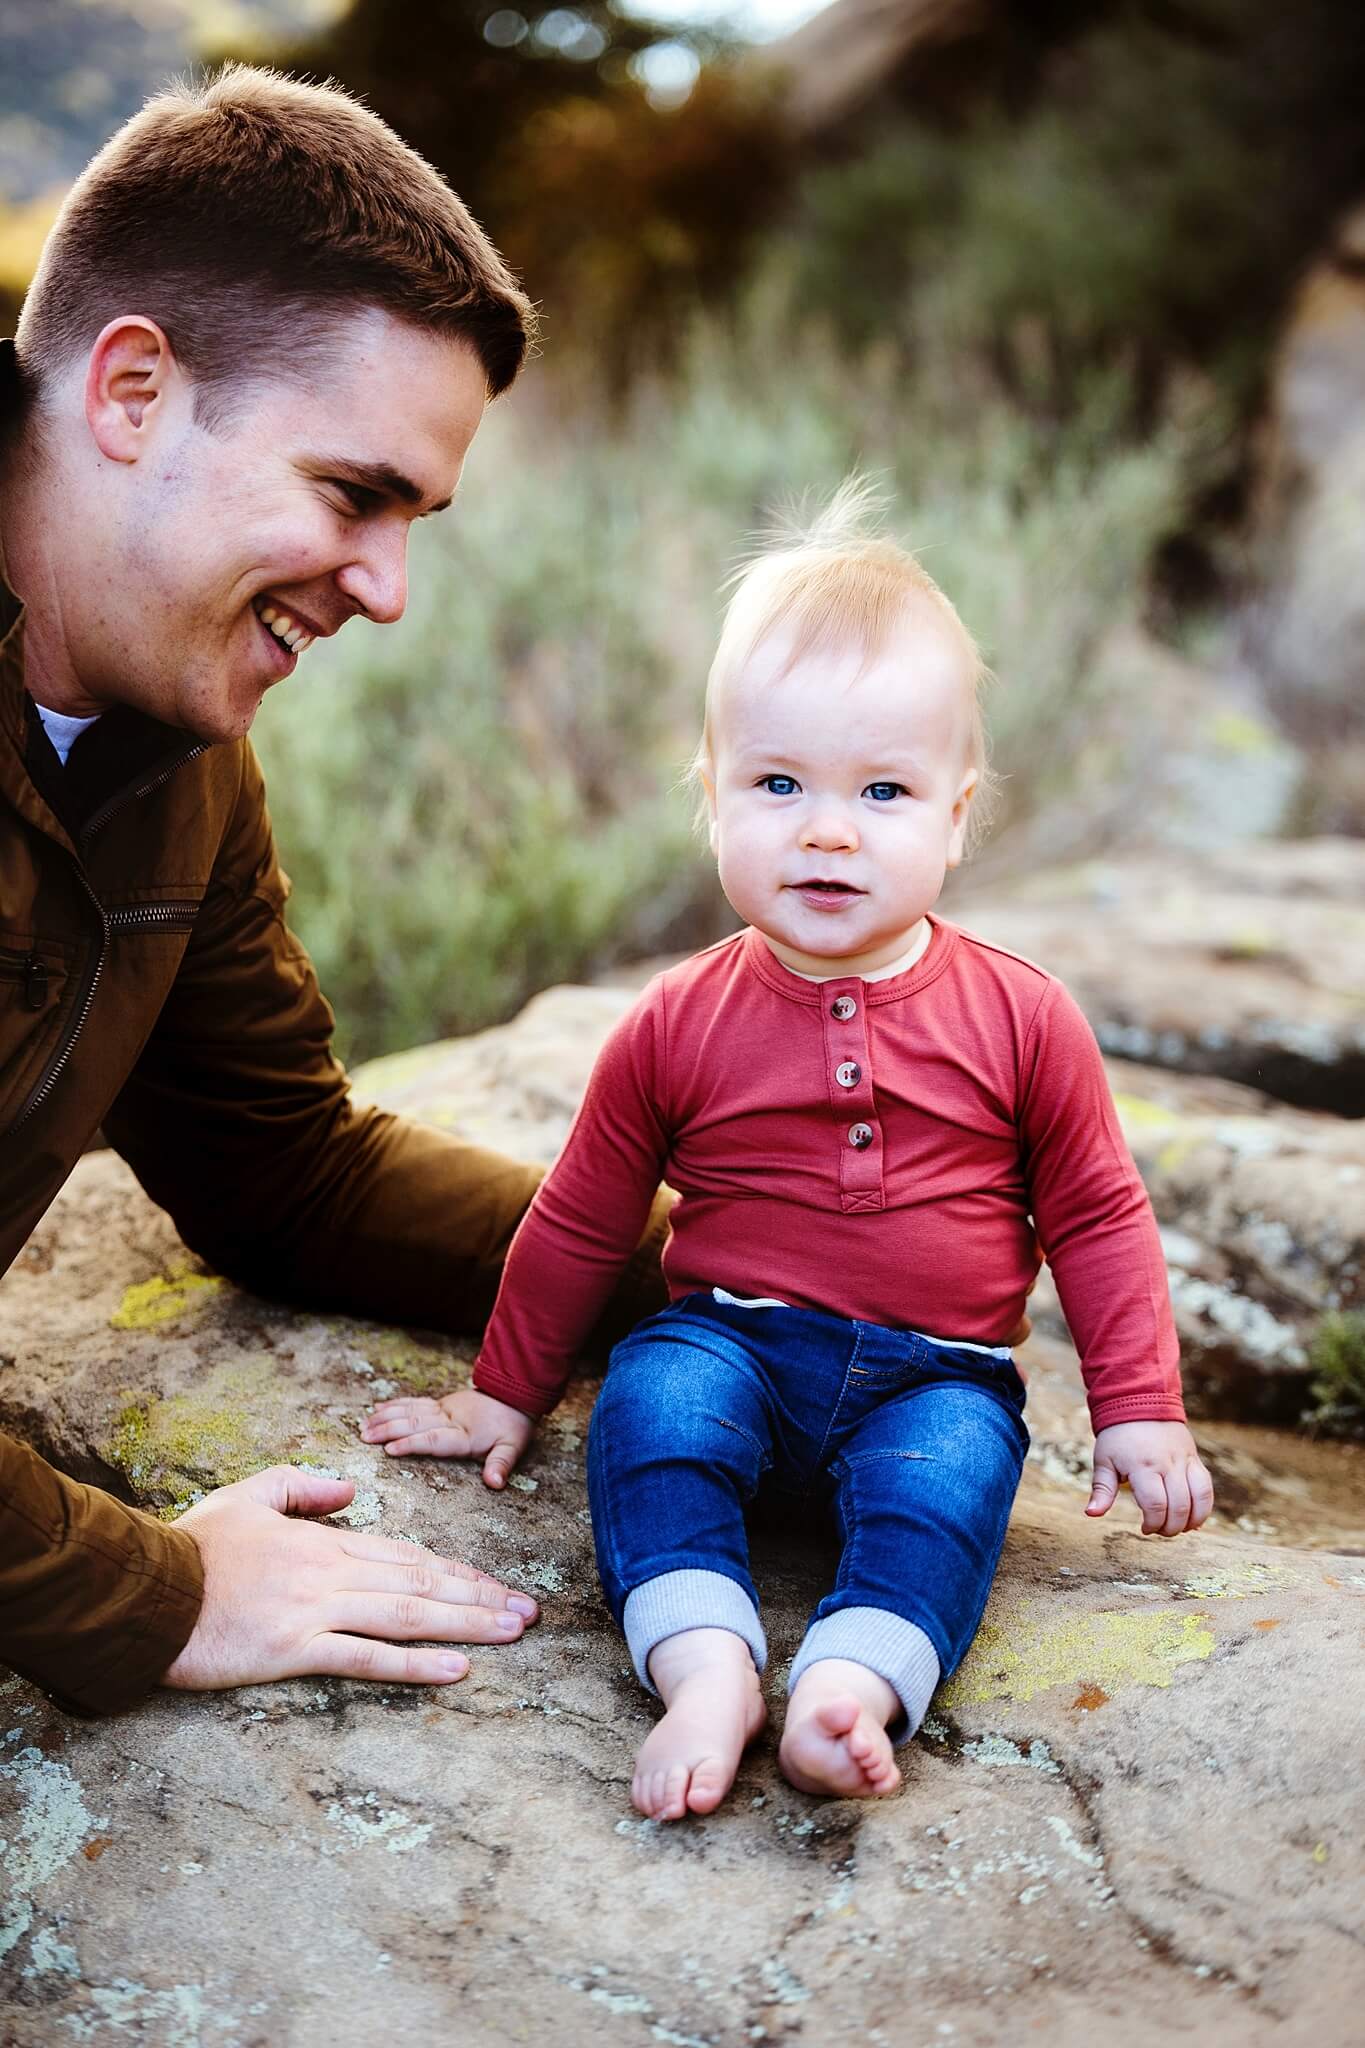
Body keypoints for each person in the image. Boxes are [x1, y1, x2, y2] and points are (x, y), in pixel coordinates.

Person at [362, 483, 1216, 1819]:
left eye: (882, 788)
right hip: (733, 1340)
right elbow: (582, 1218)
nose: (827, 827)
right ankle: (705, 1667)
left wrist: (1140, 1408)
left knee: (950, 1490)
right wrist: (502, 1394)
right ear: (710, 797)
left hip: (939, 1373)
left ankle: (851, 1685)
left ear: (956, 811)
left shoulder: (1022, 1017)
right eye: (778, 783)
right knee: (648, 1417)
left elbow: (1099, 1216)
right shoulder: (674, 1022)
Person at [0, 65, 670, 1718]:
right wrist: (153, 1590)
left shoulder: (174, 754)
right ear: (134, 390)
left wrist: (727, 1261)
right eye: (353, 495)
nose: (386, 590)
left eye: (417, 518)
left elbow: (283, 1171)